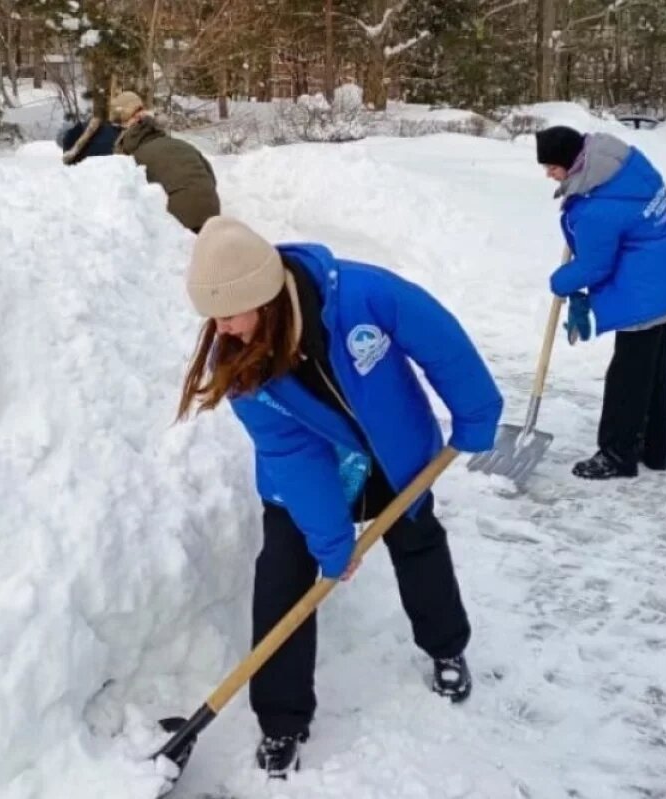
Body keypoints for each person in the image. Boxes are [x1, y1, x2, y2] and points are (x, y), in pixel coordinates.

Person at [175, 216, 503, 777]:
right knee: (284, 574)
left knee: (418, 541)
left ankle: (446, 645)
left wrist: (476, 410)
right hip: (306, 472)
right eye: (214, 316)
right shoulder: (234, 364)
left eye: (228, 313)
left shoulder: (359, 294)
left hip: (391, 451)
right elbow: (289, 452)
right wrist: (331, 538)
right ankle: (281, 720)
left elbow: (441, 342)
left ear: (262, 296)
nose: (221, 328)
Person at [535, 125, 666, 481]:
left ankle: (617, 455)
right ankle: (654, 451)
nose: (548, 173)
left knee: (627, 376)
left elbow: (596, 265)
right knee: (651, 372)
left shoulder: (596, 210)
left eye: (551, 166)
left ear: (571, 162)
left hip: (645, 295)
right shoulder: (626, 166)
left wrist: (561, 282)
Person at [109, 91, 221, 233]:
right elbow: (210, 177)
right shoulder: (181, 144)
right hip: (213, 214)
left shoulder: (132, 159)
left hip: (181, 224)